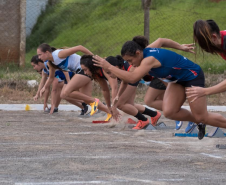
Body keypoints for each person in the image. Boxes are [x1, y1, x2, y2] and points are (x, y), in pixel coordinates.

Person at [93, 36, 226, 140]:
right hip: (177, 81)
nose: (130, 64)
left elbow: (132, 78)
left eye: (130, 60)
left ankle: (201, 119)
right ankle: (198, 121)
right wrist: (181, 47)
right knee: (169, 112)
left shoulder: (148, 60)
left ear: (138, 53)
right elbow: (162, 40)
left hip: (192, 76)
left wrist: (109, 67)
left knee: (202, 116)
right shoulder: (143, 54)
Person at [81, 55, 161, 129]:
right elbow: (106, 89)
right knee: (129, 105)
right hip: (130, 79)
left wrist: (114, 106)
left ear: (92, 67)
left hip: (137, 78)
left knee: (120, 104)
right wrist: (109, 107)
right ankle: (154, 115)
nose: (85, 73)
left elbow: (114, 87)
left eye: (85, 70)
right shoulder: (98, 73)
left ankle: (143, 120)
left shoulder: (106, 68)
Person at [37, 44, 113, 120]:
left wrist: (94, 58)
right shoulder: (51, 62)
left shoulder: (58, 54)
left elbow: (80, 47)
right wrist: (44, 88)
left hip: (83, 69)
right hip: (80, 72)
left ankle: (94, 101)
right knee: (86, 100)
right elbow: (50, 77)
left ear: (47, 52)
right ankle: (112, 114)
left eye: (40, 55)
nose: (39, 57)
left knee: (67, 92)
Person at [186, 19, 226, 101]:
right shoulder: (219, 39)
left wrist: (205, 91)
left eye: (206, 46)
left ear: (214, 37)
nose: (206, 50)